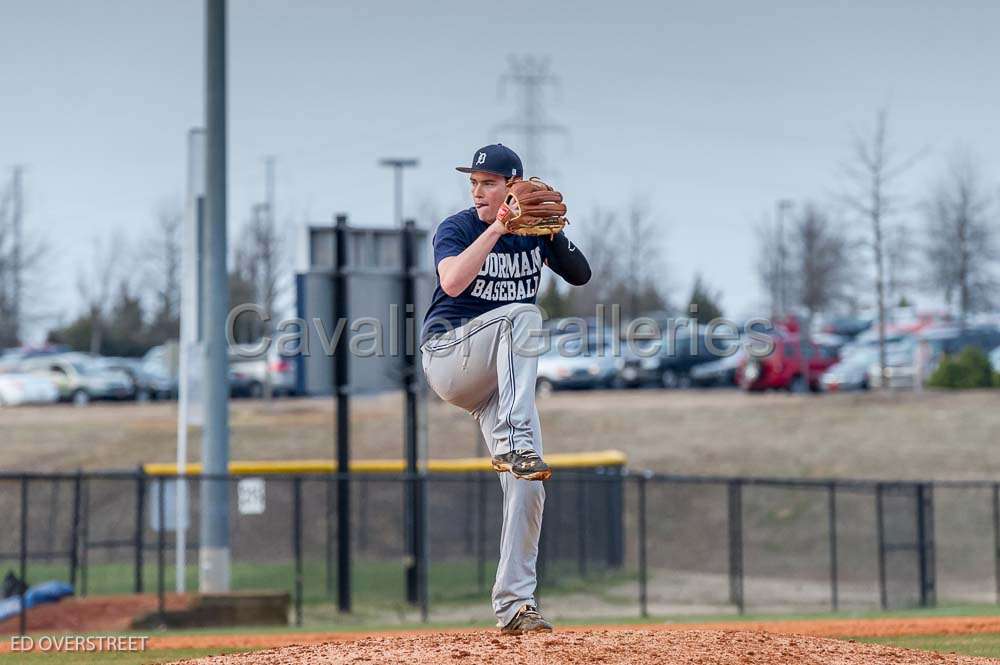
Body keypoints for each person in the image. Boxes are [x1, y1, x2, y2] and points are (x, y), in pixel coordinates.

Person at [419, 144, 591, 634]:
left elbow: (581, 275)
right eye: (474, 182)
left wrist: (553, 233)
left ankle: (515, 605)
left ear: (513, 186)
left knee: (528, 483)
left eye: (489, 182)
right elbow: (451, 282)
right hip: (452, 357)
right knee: (524, 314)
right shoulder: (459, 227)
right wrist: (498, 226)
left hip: (499, 382)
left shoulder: (535, 233)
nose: (477, 191)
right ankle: (516, 442)